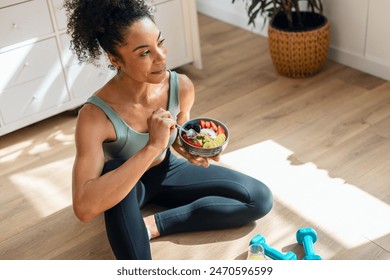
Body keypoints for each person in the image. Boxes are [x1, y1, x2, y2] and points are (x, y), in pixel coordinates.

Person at [64, 0, 273, 260]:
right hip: (125, 183)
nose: (161, 56)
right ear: (115, 59)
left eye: (160, 42)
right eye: (144, 53)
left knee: (259, 198)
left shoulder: (181, 86)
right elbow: (84, 208)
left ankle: (153, 225)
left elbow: (176, 137)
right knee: (112, 169)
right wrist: (152, 145)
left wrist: (189, 150)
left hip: (168, 170)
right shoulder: (95, 116)